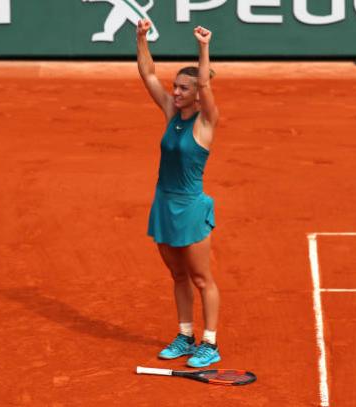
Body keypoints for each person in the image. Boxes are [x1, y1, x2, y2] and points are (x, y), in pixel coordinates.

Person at [136, 19, 221, 368]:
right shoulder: (172, 114)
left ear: (198, 94)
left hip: (189, 208)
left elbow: (204, 79)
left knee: (202, 278)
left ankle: (209, 343)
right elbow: (148, 75)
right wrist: (140, 39)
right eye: (176, 87)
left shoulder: (206, 122)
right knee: (178, 276)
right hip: (163, 204)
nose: (176, 92)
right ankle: (185, 336)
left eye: (184, 89)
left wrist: (203, 46)